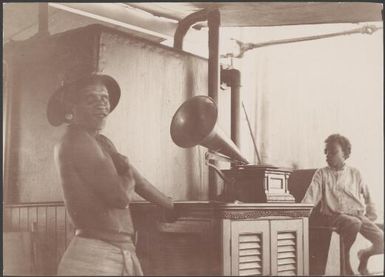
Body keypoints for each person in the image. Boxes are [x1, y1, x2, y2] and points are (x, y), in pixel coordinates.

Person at [47, 73, 175, 276]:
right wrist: (128, 174)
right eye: (91, 99)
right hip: (95, 258)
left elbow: (139, 182)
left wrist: (170, 205)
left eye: (104, 98)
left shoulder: (101, 142)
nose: (102, 105)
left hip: (112, 253)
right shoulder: (77, 141)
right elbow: (120, 197)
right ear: (72, 107)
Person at [301, 134, 383, 275]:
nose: (328, 155)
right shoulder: (322, 174)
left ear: (344, 154)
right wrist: (300, 217)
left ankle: (364, 255)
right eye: (326, 152)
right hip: (333, 216)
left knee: (382, 240)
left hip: (358, 215)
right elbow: (310, 198)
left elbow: (369, 197)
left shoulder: (355, 173)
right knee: (353, 223)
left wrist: (370, 214)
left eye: (333, 152)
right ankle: (345, 262)